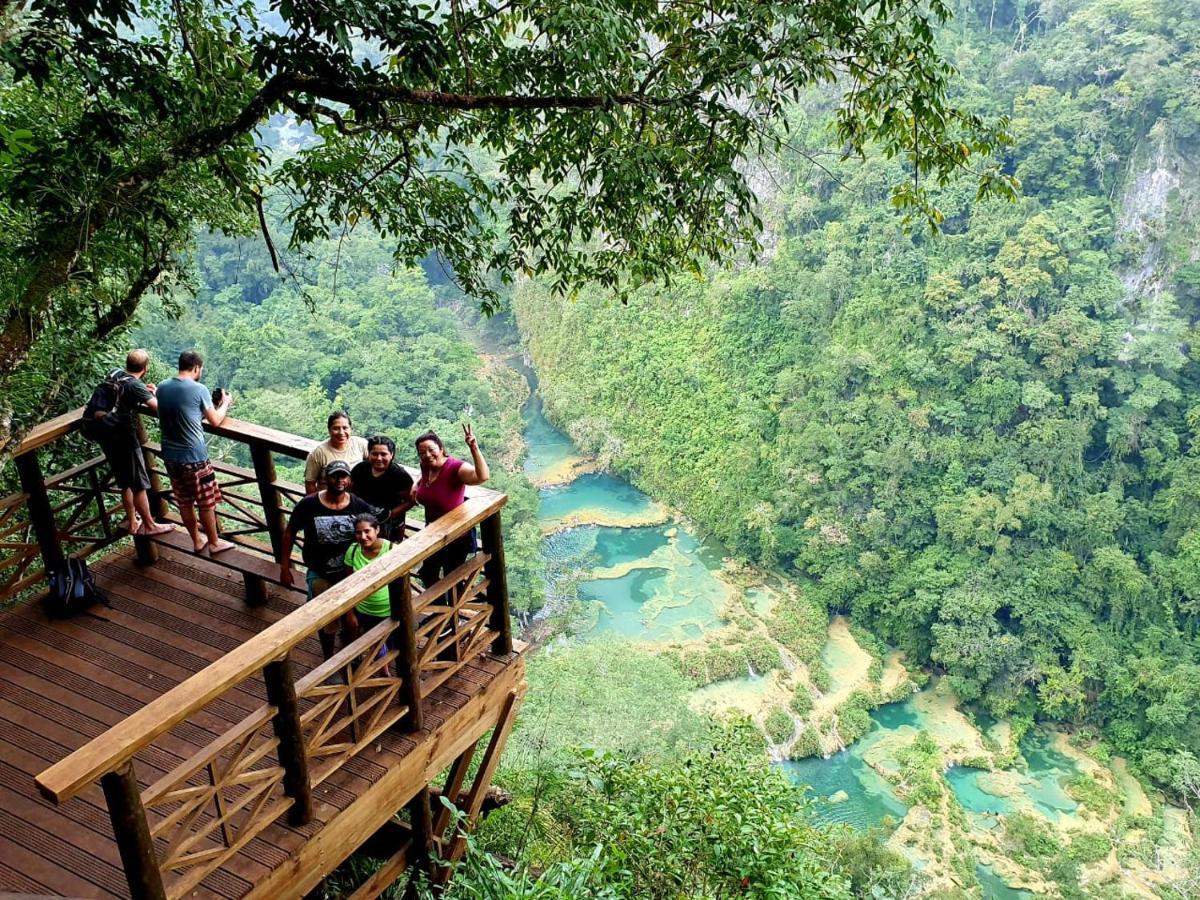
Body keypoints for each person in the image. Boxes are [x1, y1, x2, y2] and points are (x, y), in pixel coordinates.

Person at [279, 460, 373, 658]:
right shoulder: (309, 504)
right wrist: (285, 567)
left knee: (353, 618)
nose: (339, 480)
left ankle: (352, 655)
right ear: (325, 478)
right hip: (320, 571)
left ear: (349, 479)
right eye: (334, 476)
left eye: (343, 476)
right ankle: (329, 657)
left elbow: (372, 533)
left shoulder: (358, 505)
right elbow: (290, 533)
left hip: (351, 573)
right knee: (326, 620)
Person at [88, 349, 174, 537]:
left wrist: (143, 390)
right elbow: (158, 407)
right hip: (124, 438)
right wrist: (156, 393)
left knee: (125, 481)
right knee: (139, 484)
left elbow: (121, 396)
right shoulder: (135, 386)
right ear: (145, 368)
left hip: (107, 435)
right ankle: (150, 525)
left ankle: (133, 520)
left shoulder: (114, 373)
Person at [156, 350, 234, 554]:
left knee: (184, 501)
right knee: (206, 502)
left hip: (170, 456)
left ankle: (197, 541)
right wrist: (225, 403)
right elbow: (215, 421)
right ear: (197, 368)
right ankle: (215, 543)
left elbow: (185, 414)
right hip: (195, 457)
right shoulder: (199, 389)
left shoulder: (162, 387)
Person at [412, 424, 490, 592]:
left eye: (431, 450)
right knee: (427, 573)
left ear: (441, 448)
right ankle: (442, 611)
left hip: (457, 536)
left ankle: (449, 615)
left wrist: (474, 447)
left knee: (451, 578)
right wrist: (416, 484)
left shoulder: (455, 468)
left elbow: (482, 476)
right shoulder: (425, 465)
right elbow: (424, 476)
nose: (427, 455)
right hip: (434, 532)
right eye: (422, 452)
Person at [342, 513, 395, 651]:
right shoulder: (353, 551)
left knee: (390, 645)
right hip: (363, 610)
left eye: (367, 531)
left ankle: (385, 669)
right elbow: (348, 584)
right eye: (358, 533)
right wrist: (350, 613)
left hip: (389, 611)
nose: (363, 537)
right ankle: (384, 670)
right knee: (375, 647)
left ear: (377, 530)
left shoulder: (391, 550)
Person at [350, 435, 414, 542]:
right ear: (369, 454)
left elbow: (410, 501)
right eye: (374, 454)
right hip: (360, 522)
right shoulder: (360, 469)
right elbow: (349, 492)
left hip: (389, 525)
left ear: (391, 455)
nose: (379, 458)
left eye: (383, 454)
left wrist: (390, 515)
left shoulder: (400, 476)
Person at [304, 411, 368, 495]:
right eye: (336, 428)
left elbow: (373, 467)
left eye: (345, 428)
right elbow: (310, 484)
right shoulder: (318, 453)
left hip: (355, 500)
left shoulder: (360, 444)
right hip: (328, 500)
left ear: (350, 428)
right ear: (329, 430)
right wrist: (316, 504)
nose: (341, 432)